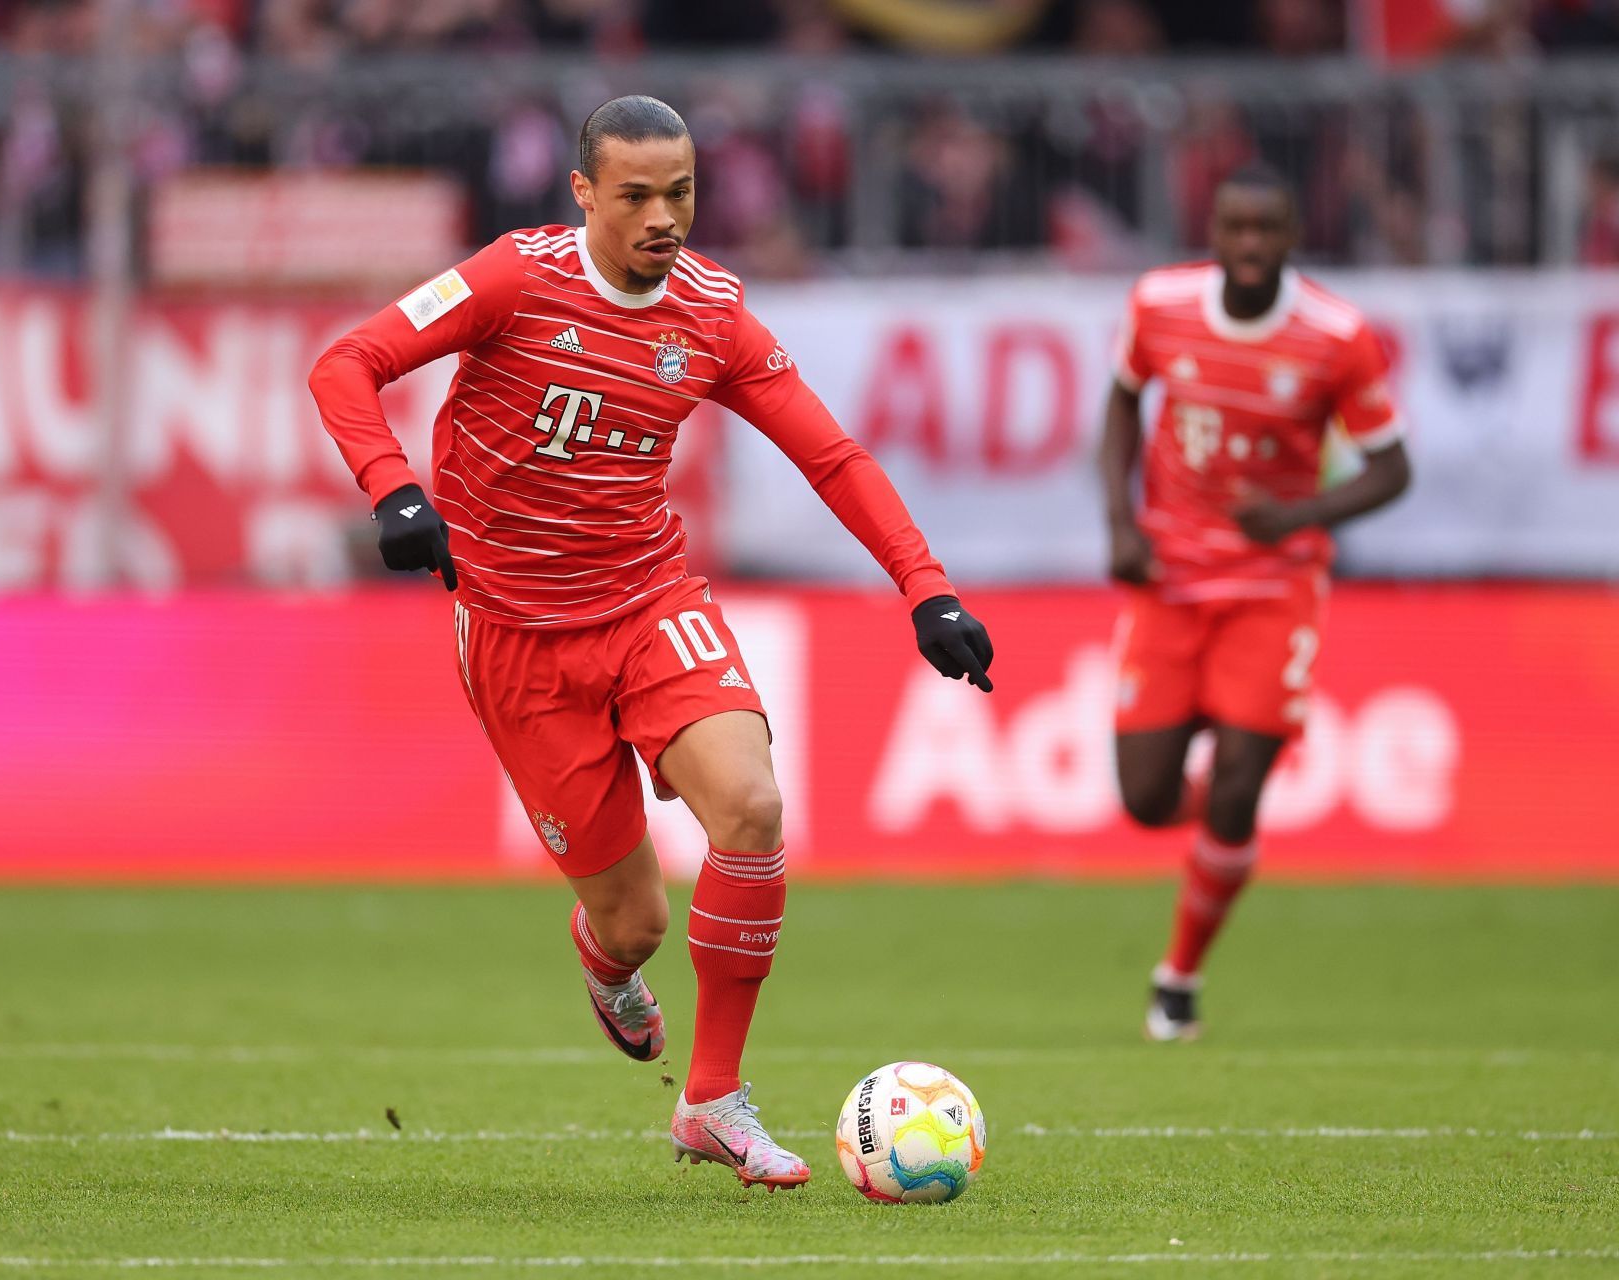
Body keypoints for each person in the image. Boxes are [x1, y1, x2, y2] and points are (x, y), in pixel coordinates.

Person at [309, 95, 994, 1188]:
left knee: (754, 808)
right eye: (635, 195)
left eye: (680, 192)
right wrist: (393, 492)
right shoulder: (512, 278)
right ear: (584, 193)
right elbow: (347, 363)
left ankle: (712, 1098)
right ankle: (603, 956)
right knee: (633, 922)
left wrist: (928, 591)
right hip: (518, 638)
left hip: (647, 603)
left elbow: (835, 456)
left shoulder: (714, 312)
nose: (663, 216)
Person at [1099, 162, 1411, 1042]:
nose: (1247, 246)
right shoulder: (1158, 304)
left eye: (1264, 230)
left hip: (1275, 588)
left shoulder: (1336, 336)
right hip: (1170, 580)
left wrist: (1299, 514)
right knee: (1146, 798)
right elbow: (1120, 405)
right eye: (1233, 228)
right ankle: (1228, 837)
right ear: (1214, 231)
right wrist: (1120, 524)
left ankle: (1179, 979)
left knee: (1238, 783)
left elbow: (1394, 469)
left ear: (1290, 235)